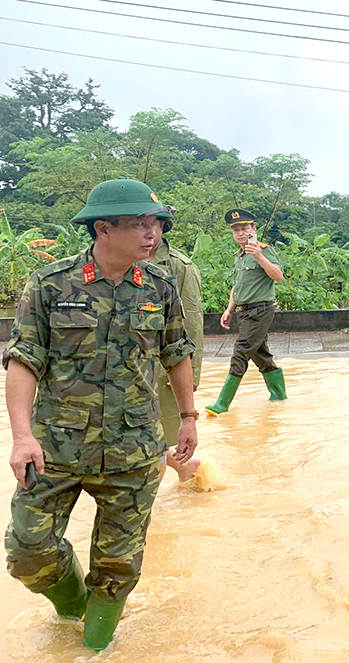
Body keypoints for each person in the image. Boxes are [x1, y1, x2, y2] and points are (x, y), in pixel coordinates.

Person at [3, 178, 197, 651]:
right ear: (103, 229)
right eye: (139, 224)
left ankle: (94, 648)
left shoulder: (160, 286)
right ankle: (72, 611)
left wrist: (189, 418)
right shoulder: (51, 285)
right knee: (28, 552)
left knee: (116, 568)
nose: (152, 233)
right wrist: (21, 436)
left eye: (155, 223)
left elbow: (176, 352)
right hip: (56, 447)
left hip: (134, 449)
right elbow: (24, 358)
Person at [204, 209, 286, 416]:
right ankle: (279, 395)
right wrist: (229, 309)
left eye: (244, 229)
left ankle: (222, 403)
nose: (240, 233)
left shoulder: (263, 250)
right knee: (260, 354)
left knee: (241, 350)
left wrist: (259, 256)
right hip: (244, 311)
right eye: (236, 230)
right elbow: (237, 286)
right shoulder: (239, 256)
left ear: (253, 230)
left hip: (261, 310)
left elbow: (278, 276)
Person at [150, 209, 205, 483]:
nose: (148, 232)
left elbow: (192, 322)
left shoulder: (179, 267)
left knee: (157, 437)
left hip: (165, 368)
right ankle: (185, 467)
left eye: (155, 225)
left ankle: (154, 519)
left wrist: (191, 374)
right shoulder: (116, 261)